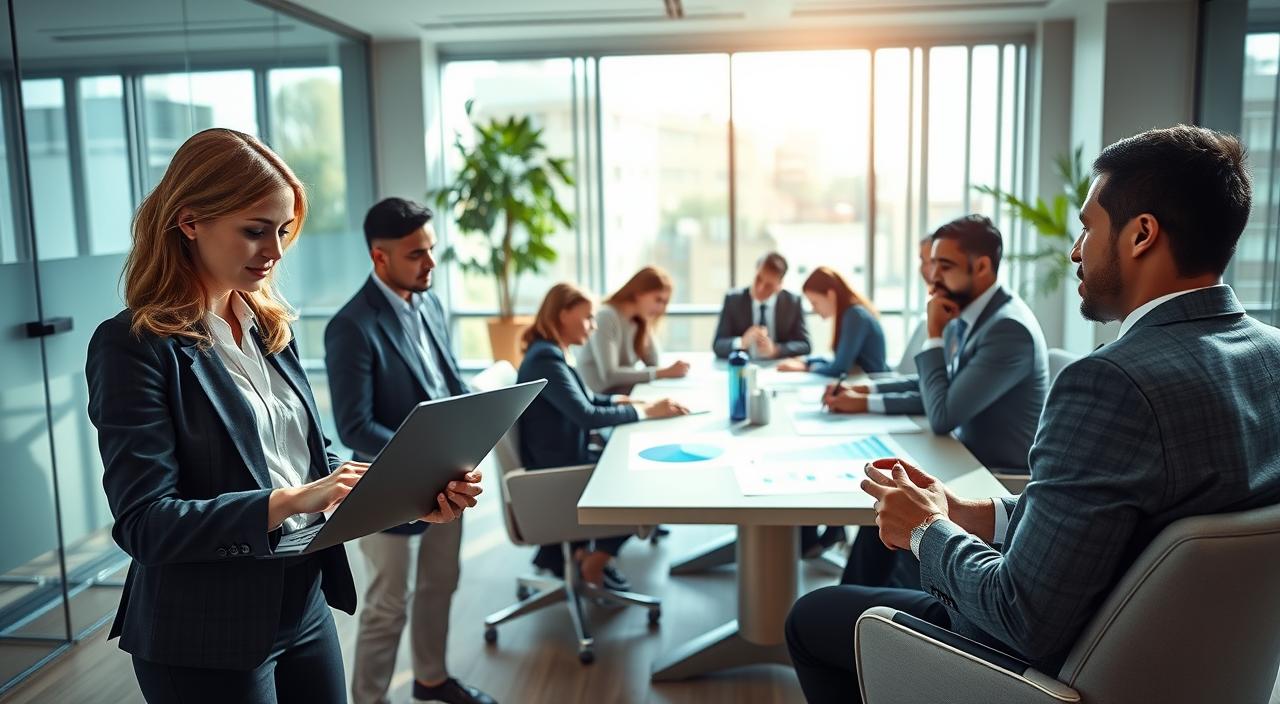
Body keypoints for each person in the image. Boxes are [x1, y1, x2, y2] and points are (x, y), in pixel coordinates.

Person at [785, 125, 1280, 704]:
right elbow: (1106, 511)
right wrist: (966, 512)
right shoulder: (1270, 356)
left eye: (1088, 227)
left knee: (811, 617)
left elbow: (1021, 617)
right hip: (1190, 670)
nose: (1075, 250)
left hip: (1044, 670)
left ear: (1141, 234)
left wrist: (926, 530)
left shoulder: (1111, 383)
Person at [85, 129, 480, 703]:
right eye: (254, 230)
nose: (274, 251)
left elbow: (313, 457)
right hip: (203, 630)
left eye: (283, 230)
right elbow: (146, 523)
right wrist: (295, 500)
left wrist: (414, 494)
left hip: (303, 601)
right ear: (189, 221)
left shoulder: (271, 329)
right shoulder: (133, 346)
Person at [325, 198, 494, 704]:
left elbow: (449, 382)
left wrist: (473, 423)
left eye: (432, 249)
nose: (430, 263)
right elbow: (355, 424)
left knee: (442, 581)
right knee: (387, 603)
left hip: (448, 477)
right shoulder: (351, 326)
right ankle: (371, 699)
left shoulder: (431, 304)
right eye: (416, 253)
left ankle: (431, 678)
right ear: (380, 258)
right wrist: (425, 453)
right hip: (390, 484)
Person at [823, 215, 1048, 472]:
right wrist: (864, 394)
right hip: (961, 457)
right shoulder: (971, 314)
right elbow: (937, 390)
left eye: (945, 266)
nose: (932, 277)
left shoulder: (1008, 330)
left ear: (982, 267)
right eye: (932, 265)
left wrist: (934, 334)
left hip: (994, 477)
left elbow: (942, 415)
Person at [517, 283, 689, 589]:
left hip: (562, 459)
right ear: (563, 314)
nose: (593, 326)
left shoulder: (552, 352)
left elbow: (587, 399)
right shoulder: (546, 359)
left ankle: (585, 552)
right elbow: (585, 416)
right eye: (587, 318)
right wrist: (645, 412)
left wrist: (629, 403)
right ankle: (594, 562)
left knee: (635, 466)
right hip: (557, 473)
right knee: (643, 484)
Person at [578, 266, 690, 395]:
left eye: (665, 303)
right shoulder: (606, 316)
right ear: (639, 293)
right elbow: (609, 375)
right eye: (658, 300)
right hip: (602, 400)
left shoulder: (638, 320)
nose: (661, 309)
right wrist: (664, 372)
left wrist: (647, 324)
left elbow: (654, 362)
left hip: (624, 395)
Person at [777, 266, 888, 376]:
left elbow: (839, 368)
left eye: (814, 303)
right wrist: (806, 361)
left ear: (830, 295)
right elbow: (839, 361)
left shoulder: (855, 315)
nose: (814, 309)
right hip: (863, 384)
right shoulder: (851, 313)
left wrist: (806, 367)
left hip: (872, 386)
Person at [712, 252, 811, 359]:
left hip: (778, 369)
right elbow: (718, 345)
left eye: (768, 285)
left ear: (780, 285)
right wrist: (741, 342)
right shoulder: (733, 300)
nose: (760, 288)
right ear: (756, 270)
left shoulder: (792, 302)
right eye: (758, 278)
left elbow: (805, 345)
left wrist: (776, 350)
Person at [896, 235, 938, 375]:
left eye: (931, 262)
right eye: (922, 261)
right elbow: (906, 375)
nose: (924, 269)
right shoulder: (926, 320)